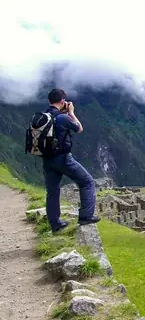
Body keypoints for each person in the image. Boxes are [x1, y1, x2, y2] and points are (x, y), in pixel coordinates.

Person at [43, 88, 100, 233]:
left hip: (47, 160)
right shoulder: (62, 118)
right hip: (63, 158)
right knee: (87, 182)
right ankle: (86, 216)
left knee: (52, 192)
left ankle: (55, 224)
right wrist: (71, 112)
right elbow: (79, 128)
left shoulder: (44, 116)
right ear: (63, 101)